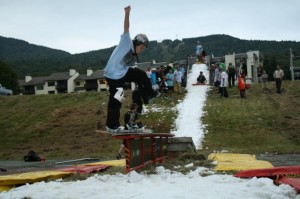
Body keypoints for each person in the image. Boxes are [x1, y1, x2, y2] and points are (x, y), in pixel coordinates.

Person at [104, 5, 155, 131]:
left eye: (143, 49)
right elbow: (126, 28)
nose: (141, 51)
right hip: (112, 75)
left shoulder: (134, 56)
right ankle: (112, 125)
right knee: (117, 97)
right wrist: (127, 14)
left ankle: (148, 95)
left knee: (141, 75)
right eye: (141, 48)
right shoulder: (127, 42)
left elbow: (134, 71)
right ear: (137, 43)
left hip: (123, 73)